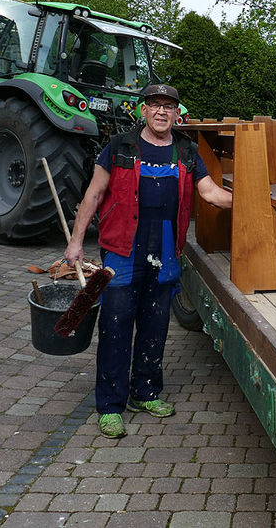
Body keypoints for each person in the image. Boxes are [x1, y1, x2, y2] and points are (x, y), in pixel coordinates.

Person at [65, 83, 232, 438]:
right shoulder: (120, 147)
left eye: (168, 107)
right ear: (143, 110)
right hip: (123, 250)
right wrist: (76, 242)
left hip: (167, 250)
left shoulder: (186, 151)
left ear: (176, 113)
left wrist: (251, 199)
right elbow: (93, 194)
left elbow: (209, 192)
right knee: (115, 327)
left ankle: (145, 393)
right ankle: (110, 405)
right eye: (154, 105)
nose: (161, 112)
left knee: (155, 326)